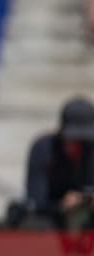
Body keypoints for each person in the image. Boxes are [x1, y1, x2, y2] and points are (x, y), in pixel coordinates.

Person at [16, 96, 94, 232]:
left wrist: (85, 201)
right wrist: (62, 205)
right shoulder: (44, 149)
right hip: (51, 216)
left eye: (83, 142)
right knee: (32, 223)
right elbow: (36, 199)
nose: (78, 146)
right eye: (73, 139)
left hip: (88, 218)